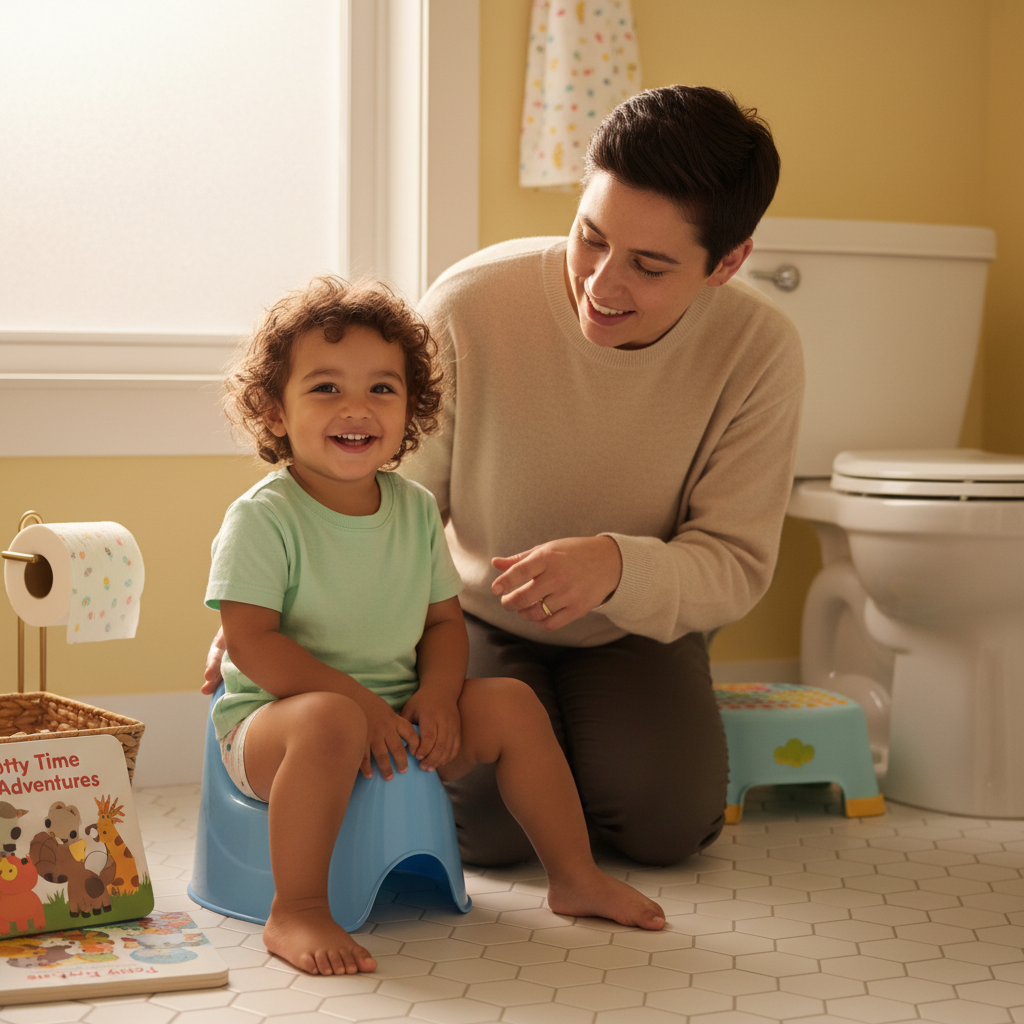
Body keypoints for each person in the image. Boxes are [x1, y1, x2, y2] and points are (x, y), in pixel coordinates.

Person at [203, 277, 666, 977]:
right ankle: (296, 908)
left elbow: (444, 623)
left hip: (391, 712)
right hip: (278, 725)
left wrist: (441, 695)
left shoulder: (415, 509)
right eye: (326, 388)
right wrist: (359, 707)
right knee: (329, 719)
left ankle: (574, 876)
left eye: (382, 389)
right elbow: (252, 644)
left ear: (412, 409)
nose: (356, 408)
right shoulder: (264, 518)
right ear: (275, 409)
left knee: (510, 702)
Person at [396, 85, 804, 867]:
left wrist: (616, 566)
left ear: (728, 262)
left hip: (636, 626)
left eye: (649, 266)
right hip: (470, 618)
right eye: (591, 238)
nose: (602, 284)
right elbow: (392, 503)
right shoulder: (471, 304)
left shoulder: (759, 351)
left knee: (664, 828)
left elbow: (736, 560)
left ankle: (597, 746)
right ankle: (561, 754)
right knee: (486, 831)